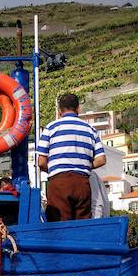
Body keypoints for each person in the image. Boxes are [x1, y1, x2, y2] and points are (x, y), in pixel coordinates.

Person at [36, 93, 106, 221]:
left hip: (58, 183)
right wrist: (82, 165)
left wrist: (54, 168)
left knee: (59, 227)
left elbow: (41, 162)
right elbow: (101, 160)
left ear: (59, 110)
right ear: (78, 108)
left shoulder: (51, 128)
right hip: (82, 183)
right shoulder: (90, 129)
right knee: (81, 225)